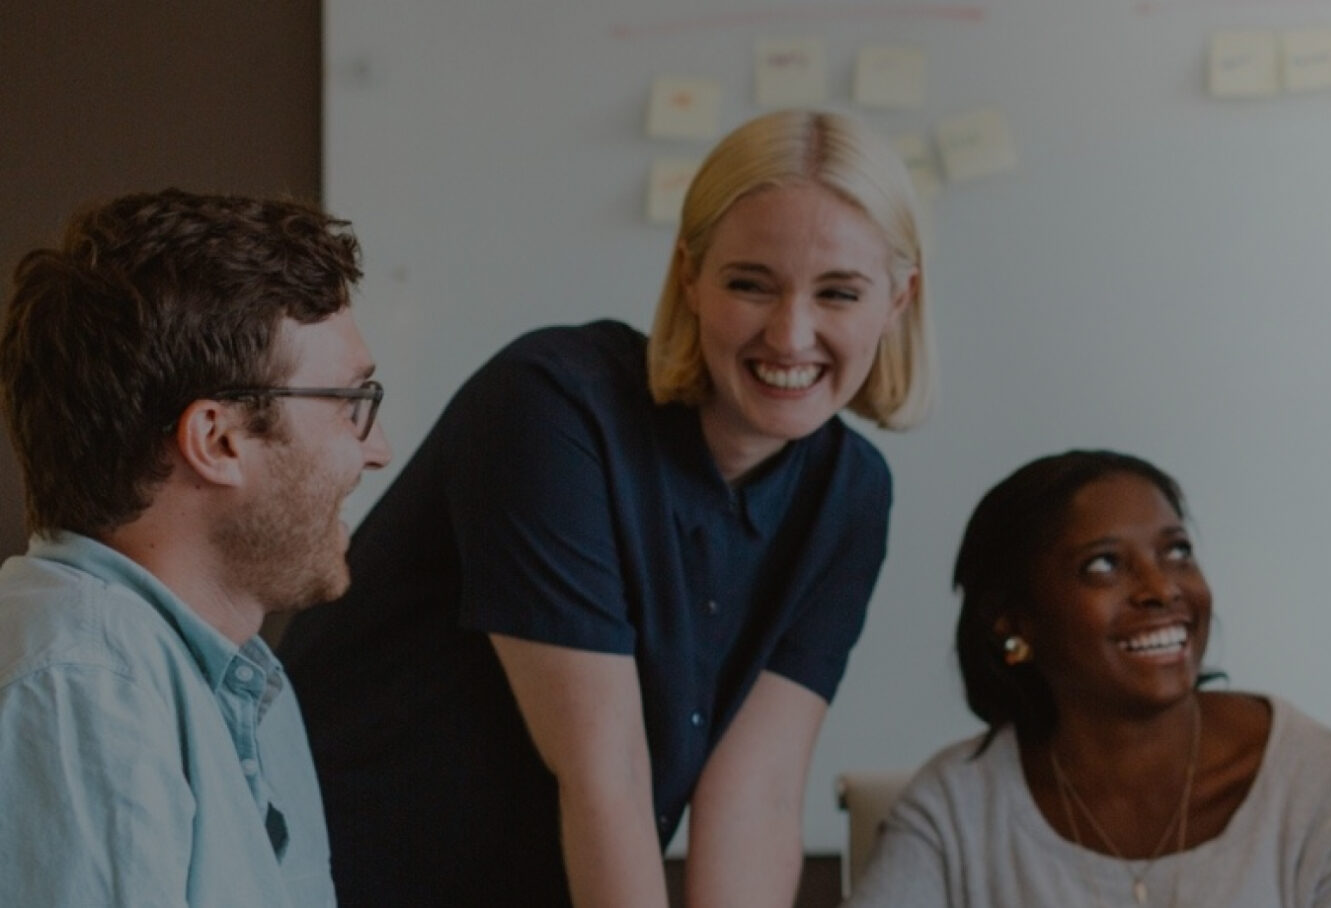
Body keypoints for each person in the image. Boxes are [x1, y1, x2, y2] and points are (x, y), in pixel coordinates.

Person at [278, 108, 931, 907]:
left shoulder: (851, 493)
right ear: (689, 276)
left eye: (839, 292)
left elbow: (754, 800)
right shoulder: (553, 407)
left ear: (898, 300)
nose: (791, 335)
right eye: (749, 283)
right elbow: (605, 772)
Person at [0, 190, 389, 905]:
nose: (378, 451)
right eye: (350, 404)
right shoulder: (83, 687)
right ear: (217, 439)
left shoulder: (241, 681)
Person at [847, 450, 1331, 908]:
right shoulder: (955, 808)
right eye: (1104, 565)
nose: (1161, 589)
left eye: (1177, 551)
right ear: (1015, 623)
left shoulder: (1317, 783)